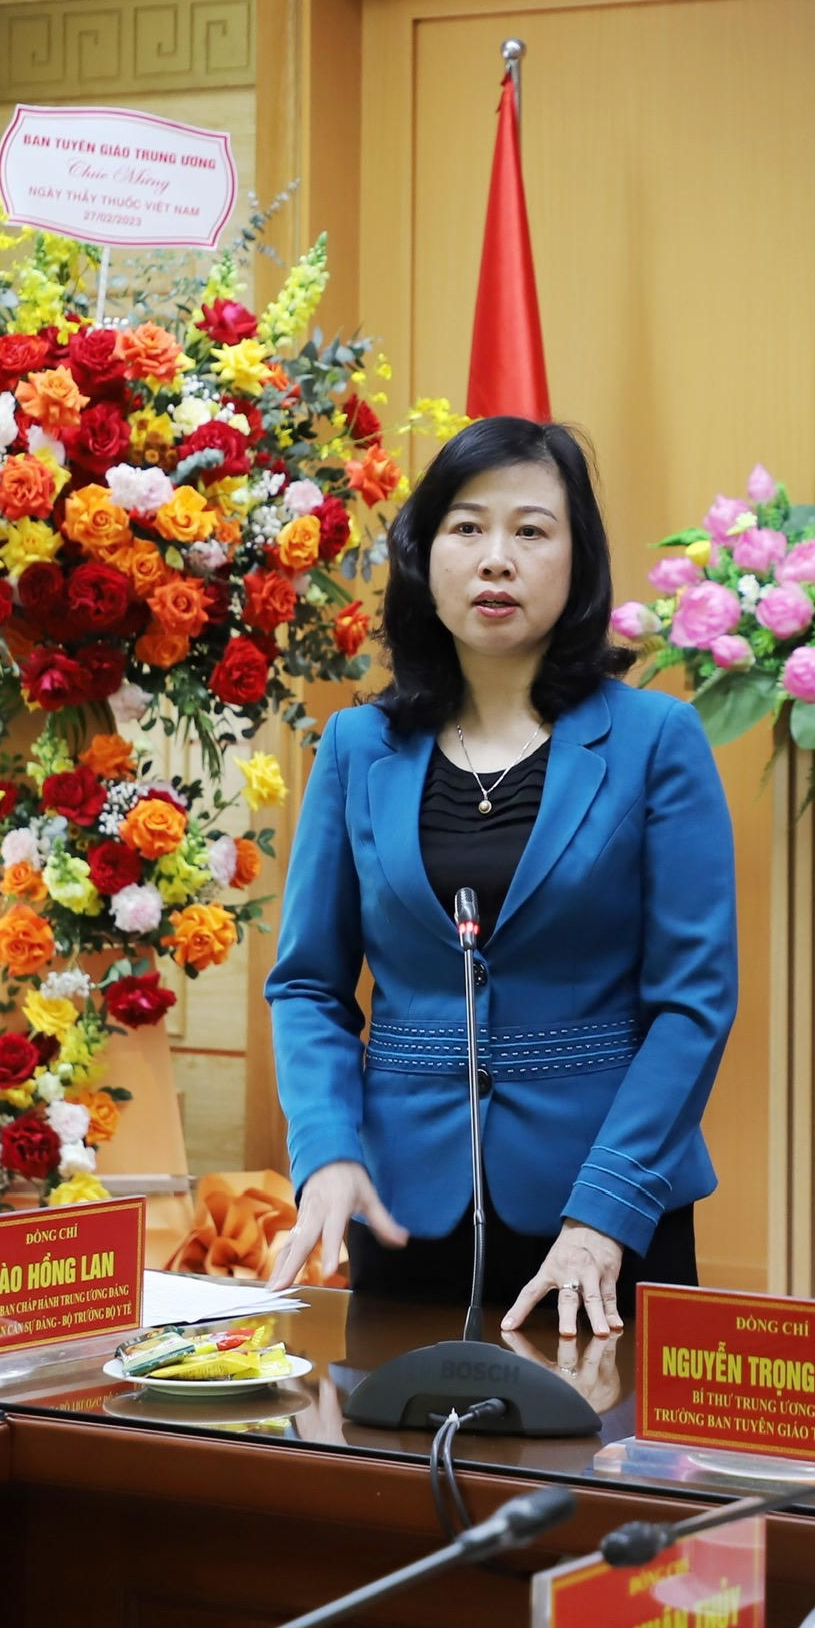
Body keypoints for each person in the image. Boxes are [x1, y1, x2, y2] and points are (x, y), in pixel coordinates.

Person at [264, 416, 738, 1338]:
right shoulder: (358, 746)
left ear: (578, 559)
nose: (496, 559)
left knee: (603, 1432)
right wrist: (326, 1149)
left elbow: (694, 1003)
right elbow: (309, 985)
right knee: (393, 1427)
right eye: (467, 527)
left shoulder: (655, 741)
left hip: (604, 1212)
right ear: (424, 555)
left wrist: (607, 1209)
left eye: (531, 530)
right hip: (403, 1206)